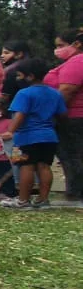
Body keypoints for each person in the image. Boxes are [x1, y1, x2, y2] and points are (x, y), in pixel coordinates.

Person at [2, 58, 67, 209]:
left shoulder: (24, 93)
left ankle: (23, 200)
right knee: (44, 166)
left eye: (19, 76)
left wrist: (10, 131)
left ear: (29, 76)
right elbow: (62, 115)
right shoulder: (55, 93)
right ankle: (43, 200)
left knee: (27, 166)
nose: (17, 79)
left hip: (27, 136)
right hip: (49, 136)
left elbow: (20, 115)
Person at [44, 29, 83, 204]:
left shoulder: (77, 61)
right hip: (71, 115)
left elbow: (67, 90)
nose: (58, 49)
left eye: (61, 45)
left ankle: (75, 193)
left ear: (76, 44)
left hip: (73, 116)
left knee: (72, 156)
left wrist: (50, 113)